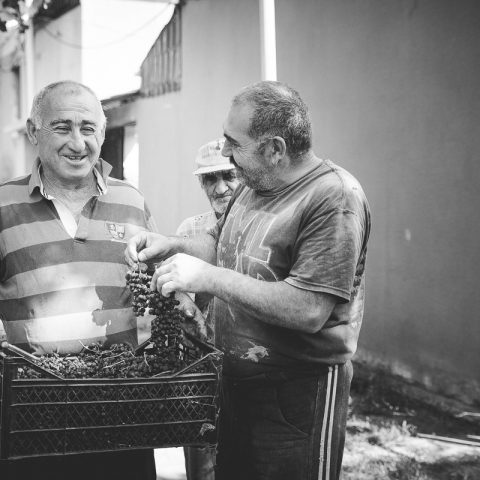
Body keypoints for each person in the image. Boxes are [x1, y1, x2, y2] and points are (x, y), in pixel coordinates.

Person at [125, 80, 371, 480]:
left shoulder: (333, 198)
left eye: (233, 143)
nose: (224, 152)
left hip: (297, 399)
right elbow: (221, 243)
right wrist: (169, 245)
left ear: (275, 149)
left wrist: (209, 277)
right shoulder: (255, 184)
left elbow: (308, 309)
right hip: (237, 387)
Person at [0, 80, 160, 480]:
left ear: (103, 134)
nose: (77, 142)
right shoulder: (3, 205)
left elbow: (156, 292)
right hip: (30, 420)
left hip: (123, 415)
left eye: (88, 128)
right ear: (34, 132)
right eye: (62, 127)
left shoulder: (132, 202)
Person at [176, 138, 239, 480]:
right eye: (210, 179)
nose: (221, 188)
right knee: (202, 460)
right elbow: (176, 297)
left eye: (228, 176)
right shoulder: (190, 230)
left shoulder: (258, 231)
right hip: (201, 366)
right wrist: (184, 302)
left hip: (249, 366)